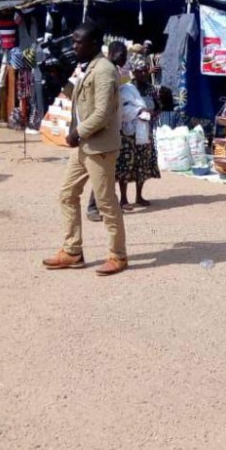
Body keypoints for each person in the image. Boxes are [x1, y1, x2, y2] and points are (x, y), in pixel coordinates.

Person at [43, 20, 128, 277]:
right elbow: (80, 100)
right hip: (84, 145)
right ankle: (72, 251)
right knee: (67, 194)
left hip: (99, 146)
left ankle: (118, 255)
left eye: (78, 42)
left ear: (93, 43)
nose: (73, 46)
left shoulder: (104, 70)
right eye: (73, 41)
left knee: (106, 203)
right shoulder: (87, 67)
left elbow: (102, 113)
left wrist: (76, 132)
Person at [87, 41, 131, 221]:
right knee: (102, 173)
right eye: (122, 54)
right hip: (102, 131)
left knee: (107, 173)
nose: (124, 58)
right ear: (112, 53)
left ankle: (99, 206)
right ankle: (93, 208)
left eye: (125, 55)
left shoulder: (118, 72)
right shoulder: (105, 72)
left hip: (113, 129)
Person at [115, 58, 162, 209]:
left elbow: (158, 105)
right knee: (126, 164)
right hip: (128, 133)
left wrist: (153, 113)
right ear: (133, 72)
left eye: (145, 71)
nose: (143, 74)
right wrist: (139, 111)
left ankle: (139, 196)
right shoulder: (126, 89)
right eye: (139, 71)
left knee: (142, 163)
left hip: (145, 131)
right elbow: (122, 110)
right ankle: (123, 199)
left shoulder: (151, 89)